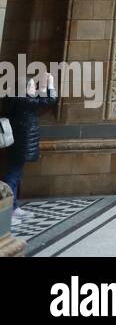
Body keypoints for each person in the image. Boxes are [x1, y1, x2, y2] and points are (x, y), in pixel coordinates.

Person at [1, 72, 57, 223]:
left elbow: (39, 100)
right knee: (12, 176)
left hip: (19, 143)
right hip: (20, 143)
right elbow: (48, 100)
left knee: (16, 175)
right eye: (32, 86)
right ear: (24, 88)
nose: (34, 89)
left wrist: (44, 86)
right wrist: (49, 83)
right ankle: (8, 211)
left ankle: (14, 207)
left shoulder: (18, 99)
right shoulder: (22, 101)